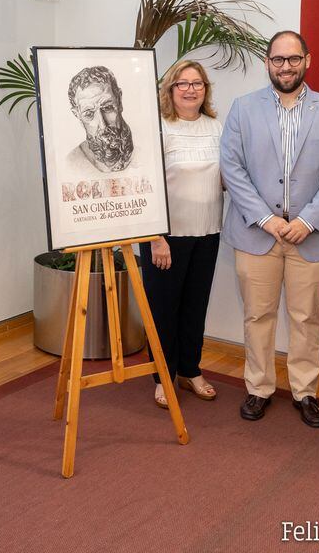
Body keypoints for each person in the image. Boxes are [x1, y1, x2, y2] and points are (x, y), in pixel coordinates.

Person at [220, 31, 319, 427]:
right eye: (278, 59)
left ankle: (305, 391)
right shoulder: (243, 109)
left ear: (307, 61)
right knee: (257, 316)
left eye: (293, 59)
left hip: (309, 238)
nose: (285, 66)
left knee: (305, 319)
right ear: (267, 63)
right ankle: (258, 387)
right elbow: (233, 167)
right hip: (255, 234)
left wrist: (307, 220)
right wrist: (267, 219)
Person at [138, 60, 223, 409]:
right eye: (182, 83)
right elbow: (144, 186)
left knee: (195, 306)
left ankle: (190, 369)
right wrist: (156, 236)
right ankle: (162, 375)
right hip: (165, 238)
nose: (190, 89)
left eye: (197, 83)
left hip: (208, 231)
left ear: (206, 89)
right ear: (169, 89)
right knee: (163, 309)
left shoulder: (218, 127)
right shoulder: (156, 128)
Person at [62, 65, 139, 177]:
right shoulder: (71, 164)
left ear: (119, 100)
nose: (103, 125)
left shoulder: (147, 154)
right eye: (89, 114)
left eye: (107, 108)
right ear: (77, 115)